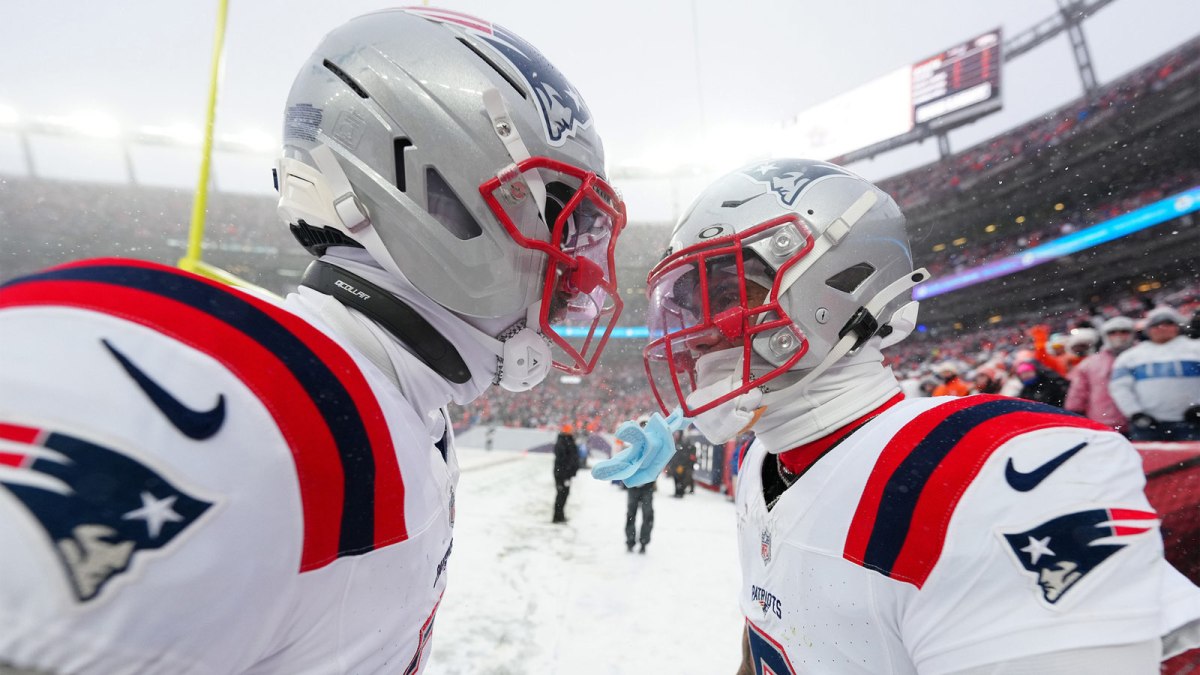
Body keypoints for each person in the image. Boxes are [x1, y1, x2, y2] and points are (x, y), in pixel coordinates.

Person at [0, 8, 626, 674]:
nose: (578, 267)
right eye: (560, 214)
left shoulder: (406, 404)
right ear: (427, 184)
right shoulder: (251, 411)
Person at [640, 158, 1200, 672]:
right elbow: (769, 631)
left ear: (839, 285)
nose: (697, 333)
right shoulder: (765, 458)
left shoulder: (982, 475)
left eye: (724, 290)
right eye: (687, 303)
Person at [1110, 306, 1200, 441]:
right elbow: (1119, 387)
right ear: (1148, 329)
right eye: (1156, 324)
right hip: (1149, 426)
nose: (1161, 327)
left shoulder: (1195, 349)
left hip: (1192, 423)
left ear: (1177, 326)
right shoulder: (1130, 356)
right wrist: (1135, 413)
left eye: (1168, 323)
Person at [1065, 316, 1135, 433]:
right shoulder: (1090, 363)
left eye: (1124, 331)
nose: (1119, 336)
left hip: (1145, 421)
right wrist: (1074, 412)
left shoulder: (1146, 357)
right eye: (1113, 332)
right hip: (1105, 423)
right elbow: (1078, 391)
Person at [553, 425, 581, 523]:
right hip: (562, 474)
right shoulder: (563, 442)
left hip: (565, 474)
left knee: (564, 494)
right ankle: (557, 516)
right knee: (561, 494)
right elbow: (564, 459)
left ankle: (560, 515)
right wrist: (568, 471)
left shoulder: (566, 441)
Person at [625, 481, 655, 554]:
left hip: (647, 487)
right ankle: (630, 540)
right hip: (632, 486)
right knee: (630, 515)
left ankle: (644, 542)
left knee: (647, 515)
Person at [668, 429, 697, 497]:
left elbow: (685, 456)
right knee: (676, 479)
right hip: (675, 466)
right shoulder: (675, 442)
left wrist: (681, 465)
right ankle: (677, 492)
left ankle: (680, 493)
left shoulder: (683, 443)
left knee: (681, 479)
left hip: (681, 466)